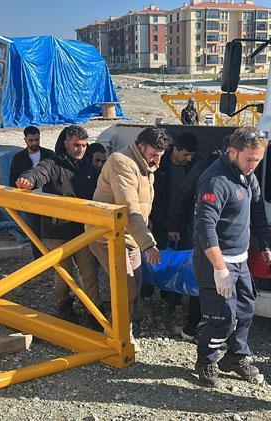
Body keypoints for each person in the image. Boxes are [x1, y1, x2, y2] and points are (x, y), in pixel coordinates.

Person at [193, 127, 271, 387]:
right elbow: (205, 226)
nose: (253, 165)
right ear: (233, 151)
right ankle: (206, 360)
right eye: (249, 159)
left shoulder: (247, 175)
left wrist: (265, 240)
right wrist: (219, 268)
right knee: (222, 318)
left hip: (240, 259)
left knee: (245, 311)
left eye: (258, 160)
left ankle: (236, 357)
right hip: (217, 260)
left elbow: (257, 207)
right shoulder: (216, 180)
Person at [88, 127, 171, 350]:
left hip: (130, 236)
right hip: (107, 234)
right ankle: (117, 332)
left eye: (160, 156)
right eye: (154, 154)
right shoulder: (121, 162)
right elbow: (130, 209)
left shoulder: (146, 166)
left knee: (134, 285)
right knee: (125, 285)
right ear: (140, 146)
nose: (157, 161)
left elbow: (142, 208)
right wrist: (149, 244)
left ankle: (121, 327)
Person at [15, 125, 101, 324]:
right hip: (59, 230)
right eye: (76, 145)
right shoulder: (52, 163)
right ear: (66, 144)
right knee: (63, 274)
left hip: (83, 230)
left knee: (89, 273)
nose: (81, 149)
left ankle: (95, 312)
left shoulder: (89, 166)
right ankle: (64, 306)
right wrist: (26, 180)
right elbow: (37, 174)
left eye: (84, 145)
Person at [166, 135, 231, 343]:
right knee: (201, 278)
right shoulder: (205, 169)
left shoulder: (206, 168)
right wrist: (174, 226)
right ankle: (192, 324)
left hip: (208, 234)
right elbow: (182, 197)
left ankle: (196, 321)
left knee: (202, 278)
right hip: (204, 234)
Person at [145, 131, 200, 310]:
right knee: (152, 258)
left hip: (182, 226)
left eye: (191, 155)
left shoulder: (195, 167)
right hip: (158, 222)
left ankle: (171, 298)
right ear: (175, 149)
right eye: (185, 154)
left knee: (177, 262)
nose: (189, 159)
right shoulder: (159, 165)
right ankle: (146, 295)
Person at [9, 126, 54, 259]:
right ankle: (38, 260)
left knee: (53, 232)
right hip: (30, 201)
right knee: (34, 233)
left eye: (36, 139)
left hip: (48, 199)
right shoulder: (19, 158)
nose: (34, 142)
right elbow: (12, 180)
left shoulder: (49, 155)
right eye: (31, 140)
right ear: (25, 140)